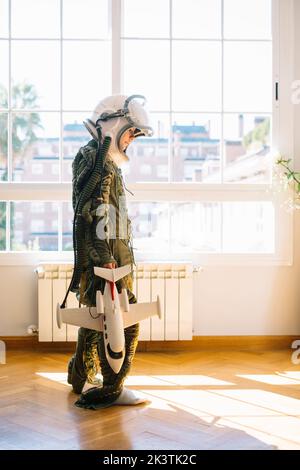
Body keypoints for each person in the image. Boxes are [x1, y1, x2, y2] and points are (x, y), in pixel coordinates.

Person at [66, 94, 154, 409]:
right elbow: (95, 210)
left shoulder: (106, 161)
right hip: (104, 258)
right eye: (130, 132)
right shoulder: (95, 158)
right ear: (114, 123)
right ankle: (112, 387)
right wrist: (107, 259)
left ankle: (81, 377)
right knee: (121, 322)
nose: (131, 140)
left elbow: (108, 212)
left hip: (110, 255)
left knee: (94, 319)